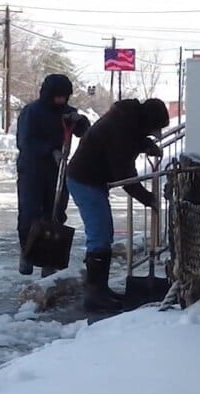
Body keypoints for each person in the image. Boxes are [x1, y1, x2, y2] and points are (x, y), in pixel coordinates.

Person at [65, 98, 169, 313]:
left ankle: (101, 289)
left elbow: (131, 142)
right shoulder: (120, 128)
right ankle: (95, 295)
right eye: (155, 129)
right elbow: (124, 174)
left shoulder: (128, 121)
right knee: (99, 235)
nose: (156, 133)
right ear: (148, 121)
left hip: (93, 180)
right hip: (84, 180)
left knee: (104, 233)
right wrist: (148, 198)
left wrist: (145, 145)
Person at [15, 74, 90, 276]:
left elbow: (83, 132)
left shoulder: (67, 112)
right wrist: (50, 151)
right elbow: (25, 141)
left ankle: (49, 259)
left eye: (64, 97)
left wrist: (81, 122)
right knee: (30, 213)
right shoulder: (32, 112)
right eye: (57, 96)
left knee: (55, 213)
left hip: (58, 170)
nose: (60, 100)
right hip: (32, 169)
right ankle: (27, 253)